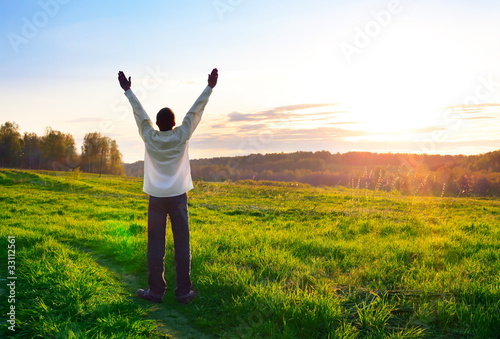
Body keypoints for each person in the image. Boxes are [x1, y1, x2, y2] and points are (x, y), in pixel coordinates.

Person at [118, 68, 218, 304]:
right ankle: (183, 291)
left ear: (157, 123)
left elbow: (140, 114)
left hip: (156, 197)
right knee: (182, 244)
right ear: (174, 124)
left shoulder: (149, 136)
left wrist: (128, 91)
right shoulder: (181, 134)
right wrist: (210, 87)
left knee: (155, 245)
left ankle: (155, 292)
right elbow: (195, 112)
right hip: (178, 196)